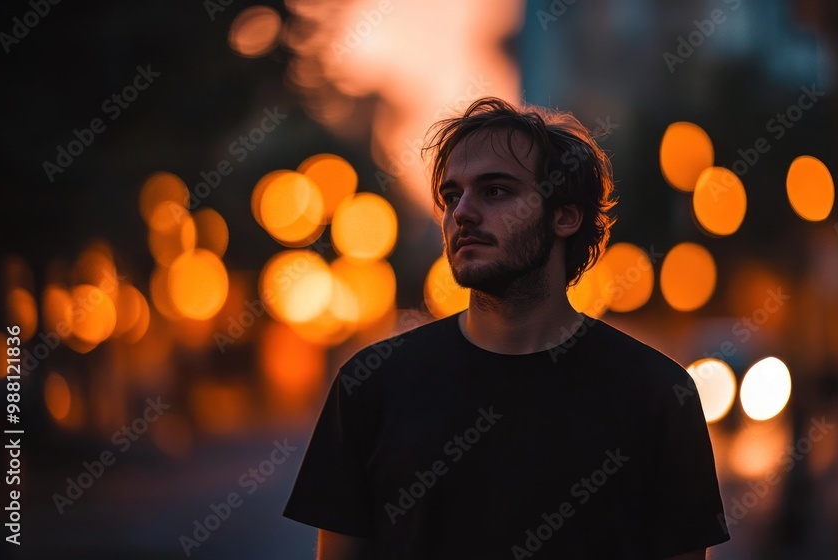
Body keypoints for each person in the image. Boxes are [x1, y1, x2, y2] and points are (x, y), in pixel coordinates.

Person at [283, 97, 729, 559]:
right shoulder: (371, 386)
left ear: (565, 215)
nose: (462, 214)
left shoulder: (657, 395)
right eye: (452, 196)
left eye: (495, 191)